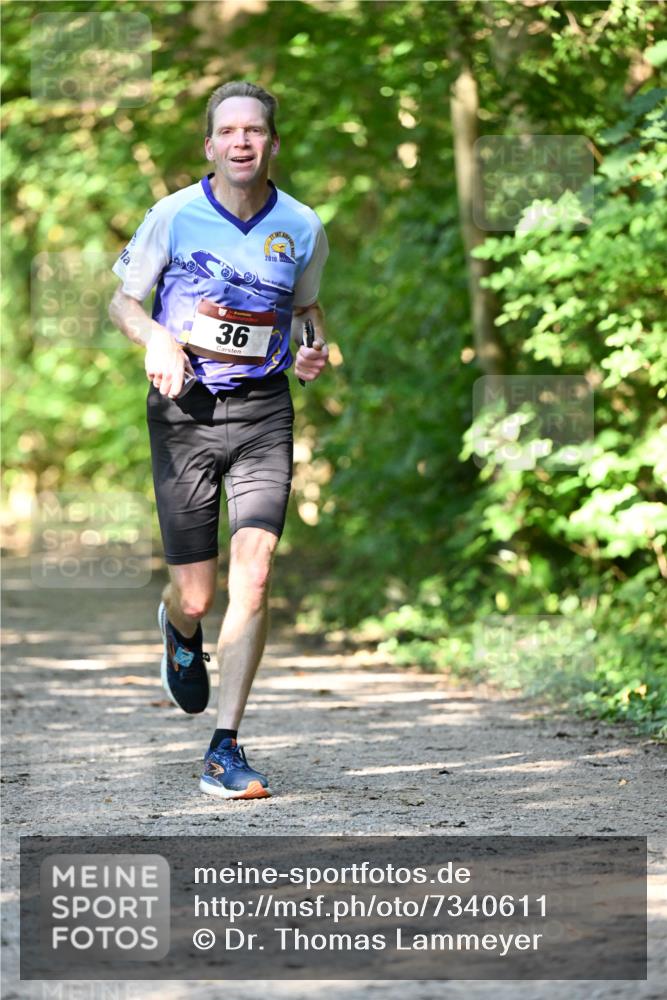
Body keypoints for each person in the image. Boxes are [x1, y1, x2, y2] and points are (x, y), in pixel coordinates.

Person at [109, 81, 329, 800]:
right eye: (228, 131)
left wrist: (313, 348)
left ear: (271, 143)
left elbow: (306, 309)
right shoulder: (173, 215)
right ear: (209, 146)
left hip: (265, 409)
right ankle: (179, 630)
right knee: (197, 595)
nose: (242, 141)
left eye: (254, 131)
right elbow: (122, 302)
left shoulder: (300, 225)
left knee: (257, 573)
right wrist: (157, 336)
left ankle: (224, 747)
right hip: (184, 410)